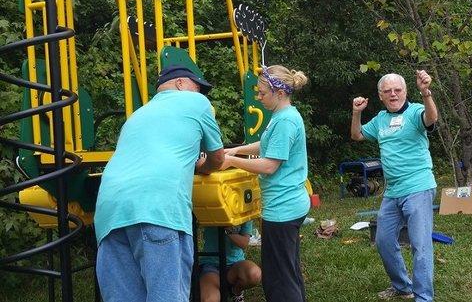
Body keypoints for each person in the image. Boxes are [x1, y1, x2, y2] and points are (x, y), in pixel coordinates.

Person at [94, 65, 225, 302]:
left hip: (109, 211)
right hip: (158, 207)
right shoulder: (197, 104)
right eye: (198, 88)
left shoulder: (137, 115)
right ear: (180, 83)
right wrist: (201, 166)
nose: (201, 95)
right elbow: (217, 158)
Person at [220, 65, 310, 302]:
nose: (258, 97)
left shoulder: (286, 121)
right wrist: (237, 150)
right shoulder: (281, 116)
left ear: (279, 93)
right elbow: (267, 144)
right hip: (286, 205)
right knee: (287, 272)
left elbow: (270, 165)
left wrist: (231, 161)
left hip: (283, 209)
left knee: (278, 280)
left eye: (262, 93)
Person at [350, 70, 438, 302]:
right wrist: (356, 113)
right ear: (380, 95)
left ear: (405, 91)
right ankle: (402, 286)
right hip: (393, 191)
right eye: (387, 91)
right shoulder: (380, 119)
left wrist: (426, 93)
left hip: (418, 186)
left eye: (397, 90)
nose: (393, 94)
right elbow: (357, 134)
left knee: (420, 246)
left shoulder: (415, 111)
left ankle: (423, 297)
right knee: (384, 240)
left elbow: (431, 119)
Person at [198, 221, 262, 302]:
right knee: (209, 299)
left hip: (235, 265)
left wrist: (227, 229)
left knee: (254, 274)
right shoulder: (210, 209)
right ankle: (218, 289)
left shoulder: (243, 211)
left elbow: (244, 243)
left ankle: (236, 291)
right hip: (211, 265)